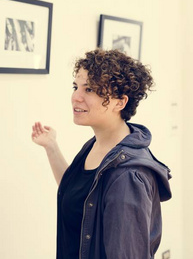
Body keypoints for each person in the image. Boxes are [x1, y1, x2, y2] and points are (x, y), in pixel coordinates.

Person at [31, 49, 171, 259]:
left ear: (119, 102)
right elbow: (80, 194)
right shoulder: (96, 145)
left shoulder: (128, 176)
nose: (76, 97)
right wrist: (51, 147)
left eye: (89, 90)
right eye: (76, 87)